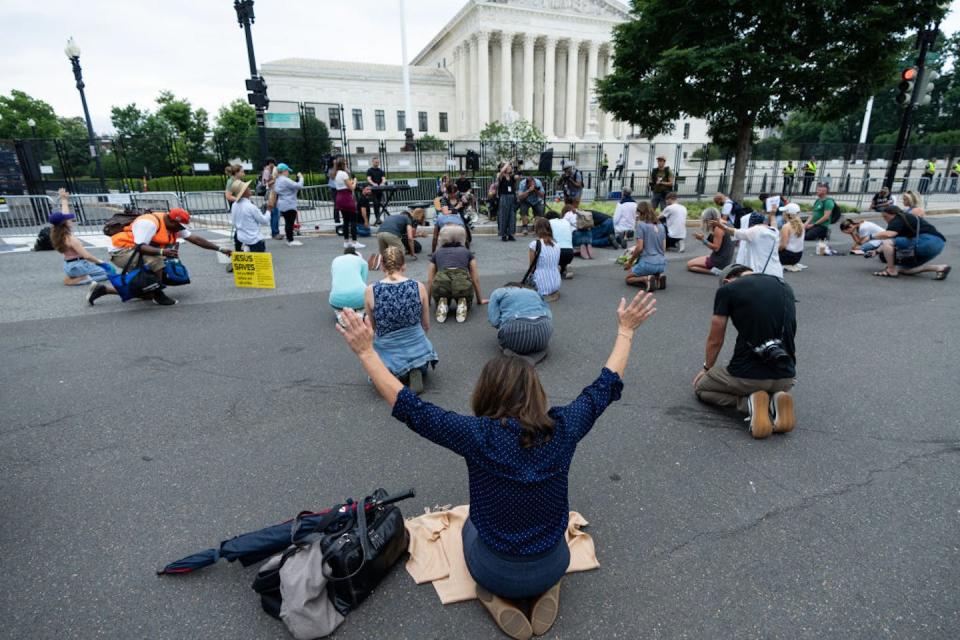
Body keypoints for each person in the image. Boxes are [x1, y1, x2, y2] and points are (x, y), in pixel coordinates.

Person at [335, 291, 656, 639]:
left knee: (467, 524)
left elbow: (412, 409)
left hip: (494, 570)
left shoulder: (478, 435)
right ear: (537, 392)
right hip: (553, 562)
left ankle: (495, 597)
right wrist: (626, 331)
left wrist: (367, 351)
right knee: (547, 540)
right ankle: (545, 587)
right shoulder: (564, 428)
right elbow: (605, 386)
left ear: (485, 393)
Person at [693, 264, 797, 438]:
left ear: (726, 281)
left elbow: (715, 338)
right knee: (769, 383)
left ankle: (747, 403)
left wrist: (706, 368)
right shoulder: (784, 285)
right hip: (786, 377)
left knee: (702, 389)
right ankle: (773, 401)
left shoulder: (729, 289)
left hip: (747, 377)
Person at [109, 208, 231, 306]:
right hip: (122, 251)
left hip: (136, 251)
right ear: (172, 221)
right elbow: (140, 246)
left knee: (145, 289)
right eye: (180, 226)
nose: (181, 230)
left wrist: (220, 249)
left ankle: (103, 290)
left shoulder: (173, 225)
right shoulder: (149, 223)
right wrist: (162, 252)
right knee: (156, 261)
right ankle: (158, 295)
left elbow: (196, 239)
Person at [363, 246, 438, 393]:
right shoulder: (418, 287)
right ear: (404, 265)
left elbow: (371, 328)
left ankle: (391, 375)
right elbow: (426, 325)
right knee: (419, 353)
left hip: (388, 350)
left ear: (382, 265)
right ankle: (414, 368)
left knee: (383, 364)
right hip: (417, 349)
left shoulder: (371, 290)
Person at [48, 189, 119, 304]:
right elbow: (86, 256)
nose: (71, 220)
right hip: (79, 266)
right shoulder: (70, 239)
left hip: (69, 265)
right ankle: (79, 280)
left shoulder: (58, 233)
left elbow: (64, 214)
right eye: (68, 220)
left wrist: (64, 199)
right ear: (64, 223)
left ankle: (77, 277)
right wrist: (101, 262)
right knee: (111, 272)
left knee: (104, 271)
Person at [872, 206, 950, 280]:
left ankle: (891, 269)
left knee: (888, 244)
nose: (884, 219)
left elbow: (889, 235)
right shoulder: (907, 219)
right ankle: (940, 268)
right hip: (939, 244)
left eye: (885, 216)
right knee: (906, 269)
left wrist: (870, 236)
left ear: (894, 214)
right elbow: (892, 241)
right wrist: (876, 251)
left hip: (926, 240)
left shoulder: (898, 217)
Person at [427, 225, 485, 324]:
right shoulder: (467, 252)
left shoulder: (437, 253)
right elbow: (475, 279)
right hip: (462, 284)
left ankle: (442, 302)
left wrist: (428, 301)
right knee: (463, 291)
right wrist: (480, 299)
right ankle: (462, 302)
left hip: (442, 284)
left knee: (441, 290)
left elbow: (430, 280)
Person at [714, 212, 783, 279]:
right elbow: (774, 223)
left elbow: (735, 232)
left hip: (761, 273)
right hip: (777, 272)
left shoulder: (755, 230)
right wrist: (772, 215)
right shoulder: (774, 230)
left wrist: (721, 226)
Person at [624, 201, 666, 291]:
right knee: (651, 270)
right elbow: (663, 248)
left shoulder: (641, 225)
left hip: (648, 263)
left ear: (640, 212)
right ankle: (658, 277)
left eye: (637, 213)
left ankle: (645, 279)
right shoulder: (661, 226)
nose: (637, 215)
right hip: (661, 263)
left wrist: (630, 262)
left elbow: (639, 248)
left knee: (628, 278)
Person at [687, 207, 734, 276]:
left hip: (720, 261)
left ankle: (716, 271)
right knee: (697, 260)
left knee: (690, 265)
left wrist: (702, 239)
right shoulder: (728, 224)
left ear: (709, 219)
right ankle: (718, 268)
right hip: (727, 258)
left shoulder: (718, 228)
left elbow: (716, 248)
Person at [526, 218, 562, 302]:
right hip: (556, 283)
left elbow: (532, 267)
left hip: (541, 285)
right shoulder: (556, 245)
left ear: (536, 229)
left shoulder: (535, 244)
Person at [329, 246, 368, 323]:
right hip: (359, 299)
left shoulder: (335, 260)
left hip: (336, 300)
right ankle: (360, 313)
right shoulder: (362, 262)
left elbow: (334, 279)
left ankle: (340, 314)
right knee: (366, 292)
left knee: (337, 299)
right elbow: (364, 281)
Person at [229, 179, 269, 253]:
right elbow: (264, 220)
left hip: (242, 238)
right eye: (247, 188)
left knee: (249, 263)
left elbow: (234, 223)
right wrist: (269, 210)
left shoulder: (234, 205)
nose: (250, 188)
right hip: (254, 239)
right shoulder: (250, 206)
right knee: (258, 263)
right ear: (244, 192)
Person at [275, 163, 304, 247]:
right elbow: (299, 186)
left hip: (282, 203)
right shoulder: (285, 180)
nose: (288, 172)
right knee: (290, 223)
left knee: (287, 222)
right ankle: (290, 240)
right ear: (284, 171)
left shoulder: (278, 180)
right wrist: (301, 177)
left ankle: (289, 239)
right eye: (287, 171)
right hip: (289, 203)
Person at [804, 184, 838, 256]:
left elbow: (826, 217)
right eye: (817, 189)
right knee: (800, 232)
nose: (817, 191)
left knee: (807, 237)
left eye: (819, 190)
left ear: (824, 192)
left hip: (822, 225)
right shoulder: (817, 200)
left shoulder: (829, 202)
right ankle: (816, 233)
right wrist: (805, 224)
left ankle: (825, 233)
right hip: (813, 224)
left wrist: (813, 225)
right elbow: (813, 214)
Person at [777, 205, 806, 272]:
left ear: (788, 214)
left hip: (787, 256)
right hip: (798, 256)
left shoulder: (786, 227)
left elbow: (783, 245)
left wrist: (774, 250)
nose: (782, 214)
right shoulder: (801, 224)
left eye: (783, 212)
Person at [496, 162, 519, 241]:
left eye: (509, 166)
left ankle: (510, 234)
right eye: (508, 167)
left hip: (512, 197)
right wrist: (508, 163)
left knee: (512, 216)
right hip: (504, 197)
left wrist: (516, 167)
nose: (509, 167)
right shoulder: (500, 175)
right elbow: (501, 172)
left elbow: (518, 177)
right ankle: (503, 234)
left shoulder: (512, 176)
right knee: (503, 215)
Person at [259, 158, 281, 240]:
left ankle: (275, 232)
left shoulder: (271, 171)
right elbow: (265, 183)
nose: (274, 165)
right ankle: (275, 233)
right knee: (275, 213)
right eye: (273, 163)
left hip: (274, 193)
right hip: (271, 194)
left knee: (275, 213)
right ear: (270, 163)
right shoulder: (266, 171)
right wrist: (274, 179)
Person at [365, 157, 387, 225]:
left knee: (379, 204)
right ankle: (377, 219)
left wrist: (382, 183)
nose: (377, 163)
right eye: (376, 162)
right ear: (373, 162)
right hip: (373, 190)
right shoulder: (369, 170)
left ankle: (378, 219)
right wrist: (373, 184)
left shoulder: (381, 171)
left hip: (379, 190)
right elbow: (368, 179)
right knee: (376, 204)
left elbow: (383, 179)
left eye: (378, 162)